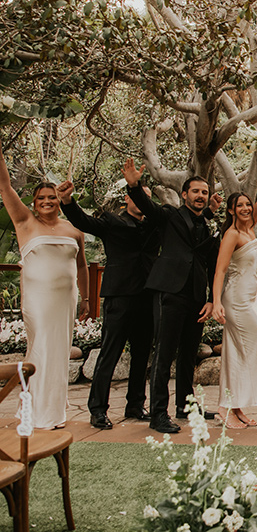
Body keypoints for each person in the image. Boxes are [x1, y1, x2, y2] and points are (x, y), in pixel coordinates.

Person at [124, 160, 220, 434]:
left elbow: (212, 265)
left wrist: (211, 298)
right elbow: (147, 207)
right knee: (164, 354)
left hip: (196, 296)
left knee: (189, 354)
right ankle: (158, 414)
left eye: (204, 192)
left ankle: (185, 406)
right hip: (169, 291)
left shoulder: (207, 224)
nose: (200, 195)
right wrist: (133, 185)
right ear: (184, 194)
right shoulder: (169, 216)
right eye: (195, 191)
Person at [57, 179, 160, 429]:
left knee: (141, 355)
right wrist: (67, 201)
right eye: (137, 197)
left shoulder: (155, 225)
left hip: (147, 296)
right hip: (119, 296)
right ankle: (98, 409)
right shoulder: (112, 222)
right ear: (127, 198)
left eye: (146, 198)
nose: (141, 202)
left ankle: (135, 404)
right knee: (109, 353)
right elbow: (84, 222)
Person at [0, 150, 87, 429]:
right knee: (41, 348)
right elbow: (5, 187)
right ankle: (39, 412)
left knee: (58, 352)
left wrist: (85, 298)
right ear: (34, 203)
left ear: (59, 201)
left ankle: (50, 408)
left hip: (65, 300)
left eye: (52, 197)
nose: (47, 201)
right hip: (38, 301)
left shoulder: (73, 229)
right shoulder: (25, 222)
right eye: (41, 198)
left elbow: (82, 266)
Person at [210, 150, 257, 429]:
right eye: (239, 205)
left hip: (251, 298)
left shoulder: (250, 228)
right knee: (249, 351)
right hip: (236, 299)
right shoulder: (232, 234)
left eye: (247, 205)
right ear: (231, 210)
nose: (245, 208)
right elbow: (220, 270)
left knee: (237, 351)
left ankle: (235, 407)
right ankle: (225, 408)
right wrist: (216, 302)